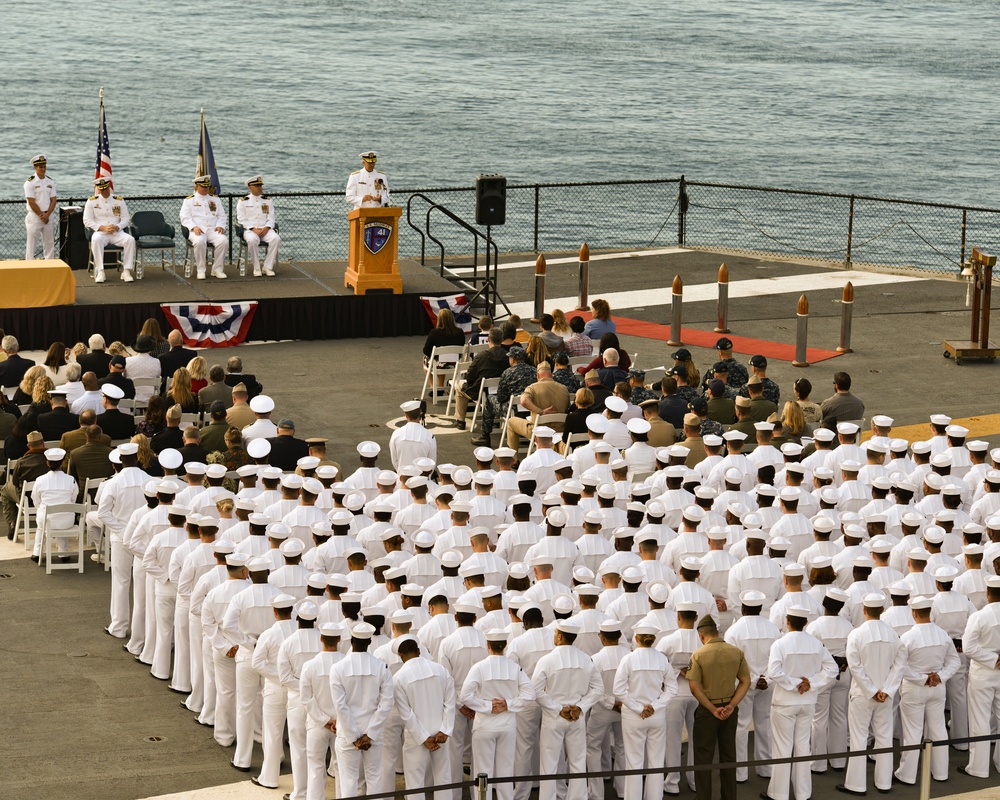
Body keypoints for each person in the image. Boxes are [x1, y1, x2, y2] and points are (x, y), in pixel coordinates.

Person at [765, 606, 838, 800]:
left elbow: (774, 672)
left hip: (785, 702)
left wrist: (795, 684)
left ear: (787, 621)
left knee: (783, 747)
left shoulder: (780, 644)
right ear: (805, 623)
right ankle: (803, 793)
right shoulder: (816, 644)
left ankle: (779, 794)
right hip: (807, 701)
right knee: (802, 745)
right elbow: (832, 669)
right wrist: (810, 683)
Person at [839, 593, 905, 796]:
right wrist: (886, 690)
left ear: (864, 610)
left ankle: (856, 785)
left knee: (858, 738)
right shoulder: (893, 635)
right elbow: (899, 665)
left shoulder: (856, 634)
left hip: (862, 694)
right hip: (885, 695)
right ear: (882, 611)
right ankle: (884, 782)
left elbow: (854, 666)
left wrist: (870, 690)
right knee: (884, 737)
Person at [531, 618, 603, 800]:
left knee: (549, 763)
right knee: (578, 762)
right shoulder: (586, 659)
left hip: (554, 718)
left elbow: (535, 690)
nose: (554, 636)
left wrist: (557, 708)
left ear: (560, 636)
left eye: (555, 633)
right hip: (576, 718)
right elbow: (598, 689)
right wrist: (580, 707)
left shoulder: (547, 660)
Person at [686, 614, 751, 800]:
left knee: (703, 758)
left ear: (701, 635)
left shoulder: (698, 655)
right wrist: (731, 705)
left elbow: (694, 687)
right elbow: (746, 681)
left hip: (708, 711)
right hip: (729, 710)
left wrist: (712, 708)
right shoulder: (736, 652)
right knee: (729, 757)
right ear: (717, 632)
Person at [328, 621, 395, 797]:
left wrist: (353, 736)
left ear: (351, 641)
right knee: (374, 778)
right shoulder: (381, 667)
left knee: (348, 781)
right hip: (373, 734)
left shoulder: (337, 668)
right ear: (369, 642)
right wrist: (370, 734)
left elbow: (340, 706)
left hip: (347, 735)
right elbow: (386, 703)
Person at [613, 621, 678, 800]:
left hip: (633, 717)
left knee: (633, 762)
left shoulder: (628, 658)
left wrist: (637, 707)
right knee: (656, 761)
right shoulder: (661, 659)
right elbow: (672, 689)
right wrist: (654, 706)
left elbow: (618, 690)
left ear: (636, 638)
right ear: (653, 639)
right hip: (656, 716)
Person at [394, 635, 457, 800]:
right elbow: (450, 703)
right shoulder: (440, 670)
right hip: (441, 734)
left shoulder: (399, 678)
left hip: (417, 737)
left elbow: (406, 714)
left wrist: (423, 738)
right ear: (419, 651)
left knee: (415, 783)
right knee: (444, 779)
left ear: (400, 655)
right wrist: (445, 730)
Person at [83, 176, 136, 283]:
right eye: (102, 189)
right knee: (96, 240)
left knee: (130, 240)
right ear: (98, 189)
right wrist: (103, 228)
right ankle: (101, 271)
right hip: (101, 232)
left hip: (116, 232)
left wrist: (117, 227)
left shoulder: (119, 200)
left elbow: (126, 219)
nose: (104, 191)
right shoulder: (92, 201)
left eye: (106, 188)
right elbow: (87, 220)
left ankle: (126, 271)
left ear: (109, 187)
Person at [454, 327, 507, 431]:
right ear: (502, 340)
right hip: (501, 392)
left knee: (459, 387)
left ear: (489, 340)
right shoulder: (508, 356)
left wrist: (470, 382)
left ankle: (460, 420)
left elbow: (470, 376)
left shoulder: (482, 356)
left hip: (481, 391)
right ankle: (495, 419)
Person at [180, 175, 228, 280]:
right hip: (198, 230)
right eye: (203, 186)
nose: (206, 189)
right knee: (199, 241)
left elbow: (222, 215)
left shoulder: (214, 199)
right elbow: (185, 218)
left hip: (212, 229)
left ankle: (217, 269)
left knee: (223, 241)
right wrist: (193, 227)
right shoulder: (189, 201)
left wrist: (220, 225)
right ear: (197, 186)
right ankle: (201, 270)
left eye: (207, 186)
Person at [236, 175, 281, 277]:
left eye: (260, 186)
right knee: (252, 240)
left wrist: (267, 227)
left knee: (276, 239)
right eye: (257, 186)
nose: (260, 188)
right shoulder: (243, 201)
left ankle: (267, 267)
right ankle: (256, 267)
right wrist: (253, 229)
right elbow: (241, 219)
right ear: (250, 187)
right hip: (250, 230)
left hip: (265, 229)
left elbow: (271, 217)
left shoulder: (267, 200)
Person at [423, 308, 466, 390]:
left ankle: (433, 386)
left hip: (439, 363)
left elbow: (426, 350)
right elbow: (461, 347)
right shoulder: (459, 332)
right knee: (441, 360)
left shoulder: (434, 333)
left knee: (428, 359)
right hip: (455, 363)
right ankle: (440, 385)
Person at [24, 154, 57, 260]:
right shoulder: (30, 183)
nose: (43, 169)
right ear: (35, 167)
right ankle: (29, 266)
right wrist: (41, 215)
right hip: (34, 216)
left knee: (49, 243)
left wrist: (47, 215)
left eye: (44, 166)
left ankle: (49, 266)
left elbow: (53, 199)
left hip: (48, 215)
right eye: (40, 167)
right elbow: (31, 201)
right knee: (31, 244)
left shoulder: (50, 181)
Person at [390, 400, 437, 470]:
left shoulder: (396, 434)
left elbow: (395, 460)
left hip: (402, 477)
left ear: (406, 416)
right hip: (422, 478)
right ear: (420, 414)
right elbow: (432, 463)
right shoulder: (429, 436)